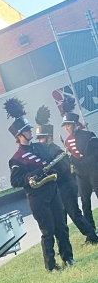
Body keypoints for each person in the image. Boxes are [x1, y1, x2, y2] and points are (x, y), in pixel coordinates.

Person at [5, 98, 74, 271]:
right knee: (48, 230)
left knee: (61, 226)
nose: (30, 131)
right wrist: (30, 175)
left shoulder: (40, 148)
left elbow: (51, 162)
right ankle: (51, 265)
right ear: (19, 135)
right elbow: (15, 181)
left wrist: (62, 162)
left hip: (53, 190)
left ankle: (68, 257)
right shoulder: (16, 158)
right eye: (27, 130)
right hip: (37, 196)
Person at [34, 104, 98, 245]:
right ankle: (87, 233)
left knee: (75, 212)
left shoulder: (85, 137)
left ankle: (91, 234)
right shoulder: (60, 145)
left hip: (80, 177)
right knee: (81, 206)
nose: (40, 141)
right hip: (73, 179)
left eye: (42, 138)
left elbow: (66, 167)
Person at [61, 96, 98, 233]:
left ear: (75, 124)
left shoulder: (89, 135)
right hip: (81, 173)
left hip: (93, 169)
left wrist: (87, 160)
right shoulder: (67, 141)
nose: (67, 128)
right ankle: (91, 229)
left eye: (69, 125)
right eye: (65, 126)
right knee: (84, 201)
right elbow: (72, 154)